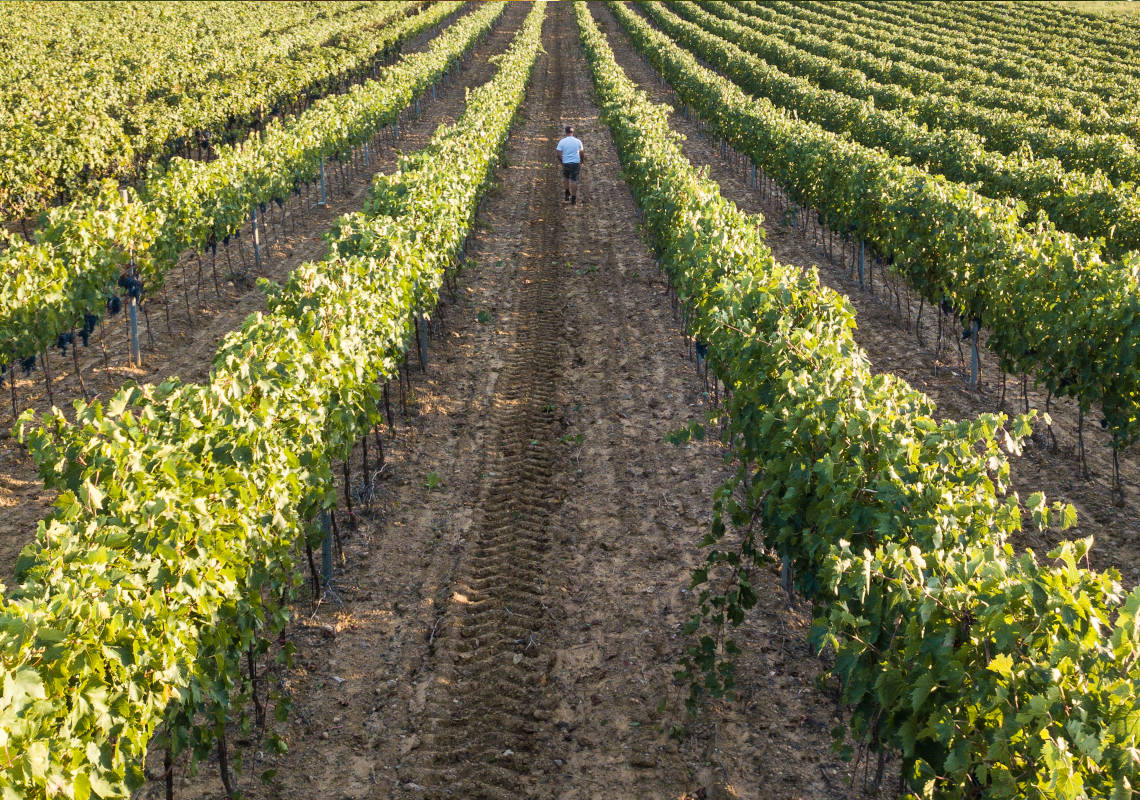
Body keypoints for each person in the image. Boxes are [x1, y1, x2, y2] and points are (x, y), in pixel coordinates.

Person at [556, 125, 583, 204]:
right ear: (572, 132)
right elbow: (581, 152)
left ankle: (567, 193)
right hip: (575, 163)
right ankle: (573, 198)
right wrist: (581, 161)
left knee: (566, 178)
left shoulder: (562, 141)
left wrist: (562, 161)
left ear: (565, 132)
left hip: (566, 163)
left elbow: (558, 153)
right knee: (574, 180)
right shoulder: (578, 141)